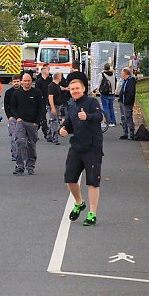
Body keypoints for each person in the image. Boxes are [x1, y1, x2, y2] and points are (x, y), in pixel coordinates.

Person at [59, 77, 105, 226]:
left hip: (92, 147)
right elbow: (68, 125)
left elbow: (100, 117)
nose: (75, 91)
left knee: (92, 181)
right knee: (70, 178)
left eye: (77, 88)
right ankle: (79, 202)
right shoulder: (71, 105)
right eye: (72, 89)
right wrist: (63, 130)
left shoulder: (92, 102)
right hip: (76, 147)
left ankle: (92, 214)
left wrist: (88, 117)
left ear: (83, 89)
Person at [10, 72, 46, 175]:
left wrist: (37, 122)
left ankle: (30, 166)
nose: (27, 83)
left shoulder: (37, 93)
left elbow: (41, 108)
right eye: (25, 81)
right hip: (21, 122)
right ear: (22, 82)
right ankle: (19, 166)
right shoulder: (17, 93)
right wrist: (17, 118)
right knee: (20, 142)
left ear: (32, 81)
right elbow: (13, 107)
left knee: (31, 145)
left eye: (29, 81)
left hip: (32, 123)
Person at [3, 75, 21, 163]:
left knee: (22, 138)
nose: (16, 83)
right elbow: (6, 106)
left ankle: (22, 154)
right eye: (14, 81)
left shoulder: (23, 91)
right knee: (14, 137)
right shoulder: (8, 92)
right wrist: (9, 117)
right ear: (12, 82)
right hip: (12, 118)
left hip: (23, 118)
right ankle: (14, 154)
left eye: (18, 81)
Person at [47, 72, 69, 145]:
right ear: (58, 77)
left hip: (57, 105)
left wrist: (66, 88)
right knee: (55, 121)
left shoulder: (56, 85)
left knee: (53, 120)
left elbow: (60, 88)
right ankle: (55, 138)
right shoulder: (52, 86)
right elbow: (50, 97)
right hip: (53, 106)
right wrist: (52, 108)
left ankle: (49, 136)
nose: (61, 78)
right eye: (61, 76)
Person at [117, 67, 136, 140]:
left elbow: (131, 93)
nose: (121, 74)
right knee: (123, 118)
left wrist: (127, 102)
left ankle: (131, 134)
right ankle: (125, 133)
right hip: (122, 102)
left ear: (125, 73)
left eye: (122, 73)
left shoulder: (130, 81)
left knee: (128, 117)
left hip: (127, 103)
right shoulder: (125, 81)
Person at [35, 65, 53, 140]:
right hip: (41, 101)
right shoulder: (39, 81)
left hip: (47, 100)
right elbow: (37, 92)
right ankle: (47, 134)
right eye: (48, 70)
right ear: (44, 72)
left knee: (40, 119)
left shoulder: (49, 80)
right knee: (43, 118)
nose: (49, 72)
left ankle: (32, 132)